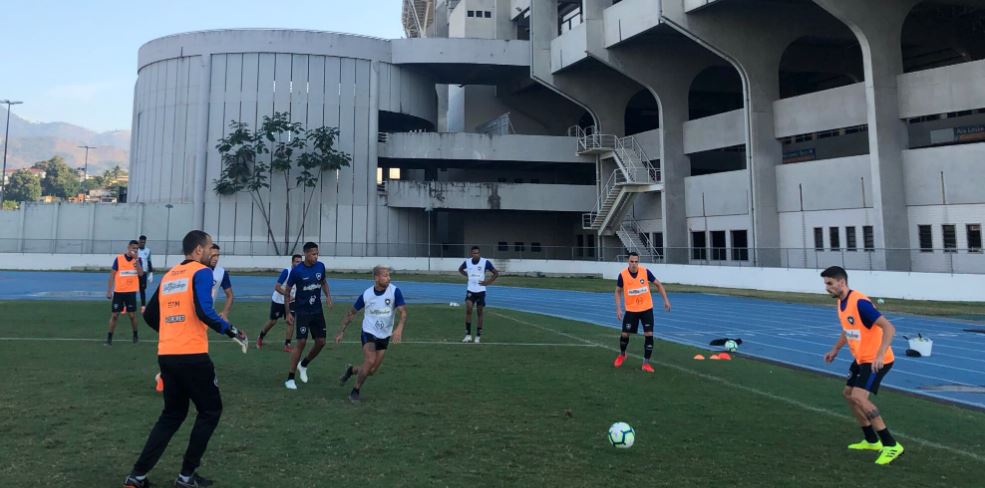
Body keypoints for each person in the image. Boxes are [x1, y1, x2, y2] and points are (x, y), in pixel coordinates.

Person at [122, 230, 247, 488]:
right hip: (192, 355)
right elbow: (205, 310)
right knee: (211, 411)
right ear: (199, 250)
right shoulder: (201, 272)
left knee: (172, 414)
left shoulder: (170, 275)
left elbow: (150, 315)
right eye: (211, 247)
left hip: (167, 355)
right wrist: (231, 330)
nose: (213, 251)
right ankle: (186, 476)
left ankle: (137, 476)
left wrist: (171, 330)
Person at [821, 266, 903, 465]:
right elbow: (848, 330)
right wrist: (836, 349)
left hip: (876, 361)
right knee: (848, 395)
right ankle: (871, 440)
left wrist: (880, 355)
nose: (826, 288)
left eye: (829, 283)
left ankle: (891, 445)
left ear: (842, 282)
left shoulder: (860, 303)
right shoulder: (841, 303)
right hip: (861, 358)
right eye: (825, 284)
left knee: (859, 397)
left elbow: (889, 328)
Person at [336, 265, 407, 404]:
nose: (388, 278)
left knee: (372, 370)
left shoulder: (395, 291)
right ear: (376, 278)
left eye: (389, 275)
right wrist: (341, 331)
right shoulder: (367, 294)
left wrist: (399, 328)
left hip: (384, 335)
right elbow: (351, 313)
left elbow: (403, 312)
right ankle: (355, 392)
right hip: (368, 332)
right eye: (385, 275)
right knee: (369, 361)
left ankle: (351, 370)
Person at [283, 242, 333, 390]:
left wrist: (328, 296)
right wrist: (287, 313)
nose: (316, 256)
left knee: (321, 342)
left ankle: (303, 364)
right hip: (303, 311)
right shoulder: (297, 271)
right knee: (301, 342)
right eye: (313, 254)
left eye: (317, 253)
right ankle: (290, 378)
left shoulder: (320, 267)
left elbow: (323, 282)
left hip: (317, 311)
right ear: (305, 254)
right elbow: (287, 292)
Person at [612, 252, 671, 373]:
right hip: (631, 310)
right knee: (624, 334)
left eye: (636, 261)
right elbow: (618, 291)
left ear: (639, 262)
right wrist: (618, 308)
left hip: (646, 309)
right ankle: (622, 354)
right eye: (631, 261)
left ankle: (646, 363)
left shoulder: (645, 272)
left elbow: (658, 285)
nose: (634, 264)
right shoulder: (622, 275)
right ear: (628, 262)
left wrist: (666, 300)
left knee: (649, 335)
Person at [257, 254, 303, 352]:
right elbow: (277, 287)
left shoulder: (302, 273)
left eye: (300, 262)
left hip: (291, 302)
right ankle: (260, 337)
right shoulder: (287, 271)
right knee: (273, 321)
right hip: (279, 301)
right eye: (297, 261)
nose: (299, 264)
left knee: (291, 321)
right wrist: (288, 295)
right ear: (292, 262)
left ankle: (287, 345)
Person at [106, 240, 145, 345]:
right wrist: (109, 291)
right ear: (128, 248)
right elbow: (112, 276)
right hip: (119, 292)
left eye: (136, 249)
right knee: (114, 316)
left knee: (132, 316)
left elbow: (141, 274)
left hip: (131, 292)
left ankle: (135, 335)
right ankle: (109, 339)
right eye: (133, 248)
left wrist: (136, 260)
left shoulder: (138, 260)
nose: (134, 250)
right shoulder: (118, 259)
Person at [458, 246, 498, 343]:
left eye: (477, 253)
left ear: (479, 253)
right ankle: (468, 335)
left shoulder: (485, 262)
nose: (475, 254)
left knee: (479, 312)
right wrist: (468, 275)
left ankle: (478, 336)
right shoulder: (467, 262)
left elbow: (496, 273)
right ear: (471, 254)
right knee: (468, 309)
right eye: (473, 253)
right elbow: (460, 269)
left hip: (481, 291)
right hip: (470, 290)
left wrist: (487, 282)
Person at [208, 244, 233, 320]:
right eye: (213, 255)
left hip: (208, 312)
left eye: (217, 256)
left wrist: (225, 313)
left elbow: (230, 295)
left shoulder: (221, 273)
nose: (216, 259)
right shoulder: (196, 269)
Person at [137, 235, 154, 313]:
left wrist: (151, 273)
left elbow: (149, 261)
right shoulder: (135, 250)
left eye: (144, 242)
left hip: (144, 273)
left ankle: (143, 306)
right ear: (139, 241)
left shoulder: (148, 251)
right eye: (141, 242)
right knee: (132, 289)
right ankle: (126, 305)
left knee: (142, 289)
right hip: (135, 273)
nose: (142, 243)